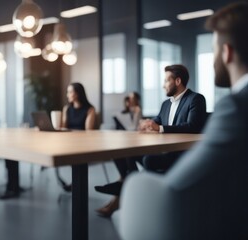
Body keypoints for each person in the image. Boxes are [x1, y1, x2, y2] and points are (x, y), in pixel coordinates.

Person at [121, 3, 248, 238]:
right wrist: (151, 124)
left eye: (214, 50)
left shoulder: (234, 106)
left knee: (136, 187)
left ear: (227, 52)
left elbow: (179, 184)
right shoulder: (168, 103)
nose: (211, 62)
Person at [96, 64, 207, 217]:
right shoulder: (166, 104)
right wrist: (147, 124)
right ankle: (127, 184)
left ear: (178, 81)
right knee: (126, 152)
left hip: (182, 155)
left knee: (148, 160)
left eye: (166, 81)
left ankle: (126, 188)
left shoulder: (196, 99)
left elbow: (192, 126)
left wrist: (160, 128)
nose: (163, 85)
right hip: (165, 151)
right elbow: (157, 120)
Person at [56, 82, 96, 191]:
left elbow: (89, 131)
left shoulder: (90, 109)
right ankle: (74, 182)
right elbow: (63, 127)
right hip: (69, 142)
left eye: (69, 92)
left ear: (77, 94)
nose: (67, 95)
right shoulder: (66, 109)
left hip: (83, 143)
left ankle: (77, 183)